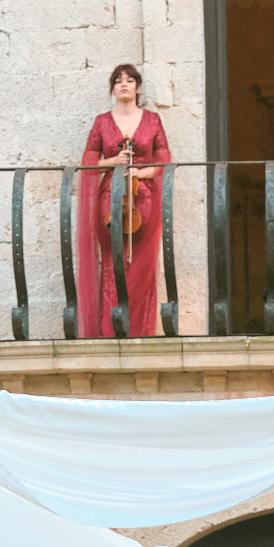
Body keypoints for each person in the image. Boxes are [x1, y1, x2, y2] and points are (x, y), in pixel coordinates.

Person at [76, 62, 172, 339]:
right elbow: (87, 163)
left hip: (143, 197)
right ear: (113, 90)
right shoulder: (102, 122)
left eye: (130, 80)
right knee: (111, 261)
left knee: (143, 261)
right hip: (109, 198)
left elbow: (164, 163)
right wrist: (113, 161)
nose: (124, 84)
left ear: (138, 88)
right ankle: (110, 331)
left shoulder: (152, 120)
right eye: (118, 81)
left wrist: (140, 172)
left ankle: (140, 331)